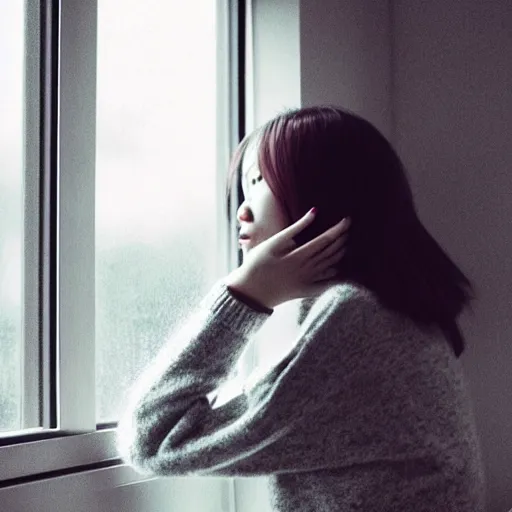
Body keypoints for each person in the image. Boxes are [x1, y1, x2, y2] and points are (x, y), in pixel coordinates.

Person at [116, 105, 486, 511]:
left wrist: (244, 293)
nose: (242, 211)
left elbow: (153, 436)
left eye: (257, 182)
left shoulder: (361, 322)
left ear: (322, 191)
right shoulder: (393, 314)